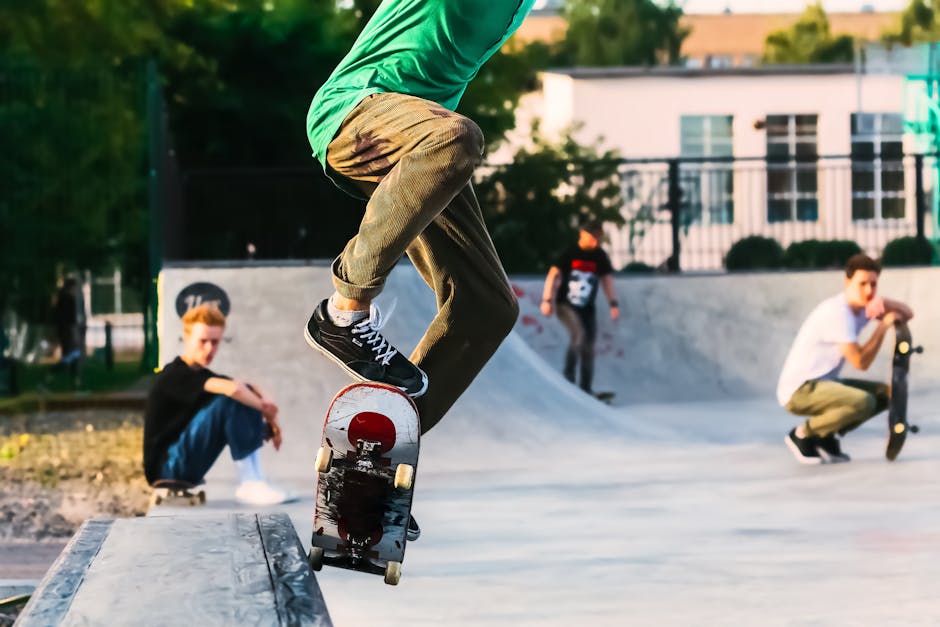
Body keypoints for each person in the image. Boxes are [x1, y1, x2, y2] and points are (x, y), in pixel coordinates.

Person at [304, 1, 532, 429]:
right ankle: (343, 310)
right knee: (458, 137)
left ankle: (384, 436)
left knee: (488, 306)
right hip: (355, 112)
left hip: (421, 152)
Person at [143, 304, 293, 505]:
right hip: (169, 467)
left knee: (242, 398)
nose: (209, 348)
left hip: (186, 467)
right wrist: (267, 411)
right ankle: (249, 483)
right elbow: (233, 390)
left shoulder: (203, 377)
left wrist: (269, 420)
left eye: (215, 342)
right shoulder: (174, 375)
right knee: (233, 397)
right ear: (187, 339)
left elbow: (248, 387)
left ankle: (256, 479)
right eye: (202, 341)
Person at [777, 254, 914, 464]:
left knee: (889, 395)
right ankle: (803, 434)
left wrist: (884, 301)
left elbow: (908, 313)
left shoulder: (861, 309)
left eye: (873, 284)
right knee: (863, 402)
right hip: (800, 390)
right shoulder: (838, 313)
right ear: (847, 282)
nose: (869, 291)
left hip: (825, 383)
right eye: (862, 284)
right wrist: (882, 326)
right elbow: (861, 363)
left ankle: (825, 436)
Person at [539, 221, 620, 395]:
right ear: (582, 235)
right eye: (592, 238)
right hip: (565, 305)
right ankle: (568, 382)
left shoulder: (600, 256)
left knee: (588, 346)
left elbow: (606, 280)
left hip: (587, 309)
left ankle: (585, 389)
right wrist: (547, 299)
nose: (595, 242)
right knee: (578, 335)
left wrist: (613, 303)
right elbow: (553, 275)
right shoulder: (570, 253)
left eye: (598, 239)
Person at [53, 276, 86, 381]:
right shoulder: (68, 300)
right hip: (68, 329)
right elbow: (69, 317)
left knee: (70, 351)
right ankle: (64, 370)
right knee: (72, 352)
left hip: (66, 329)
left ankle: (69, 370)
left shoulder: (63, 299)